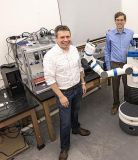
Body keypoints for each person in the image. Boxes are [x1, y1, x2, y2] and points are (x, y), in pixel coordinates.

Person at [43, 25, 90, 160]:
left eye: (67, 36)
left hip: (77, 87)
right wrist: (61, 96)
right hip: (64, 92)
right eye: (62, 37)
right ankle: (64, 148)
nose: (65, 40)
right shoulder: (50, 56)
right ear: (56, 39)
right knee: (65, 122)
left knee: (76, 111)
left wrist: (83, 82)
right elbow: (50, 79)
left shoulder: (74, 49)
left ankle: (76, 128)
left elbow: (79, 67)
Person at [104, 11, 134, 115]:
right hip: (115, 64)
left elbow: (135, 46)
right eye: (117, 20)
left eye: (121, 20)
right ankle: (115, 104)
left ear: (125, 21)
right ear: (115, 21)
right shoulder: (109, 34)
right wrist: (108, 66)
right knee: (115, 86)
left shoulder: (130, 33)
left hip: (126, 63)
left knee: (127, 85)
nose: (119, 22)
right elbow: (107, 51)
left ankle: (127, 102)